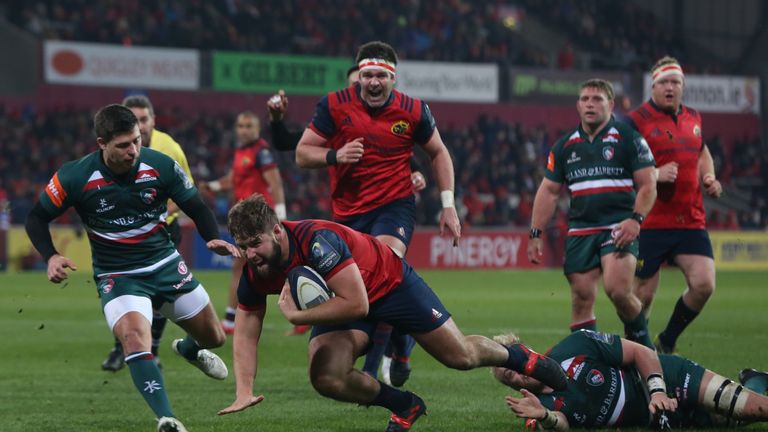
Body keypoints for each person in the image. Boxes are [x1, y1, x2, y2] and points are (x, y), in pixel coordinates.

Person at [217, 194, 568, 432]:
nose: (250, 254)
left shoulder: (315, 241)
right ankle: (404, 405)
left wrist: (296, 317)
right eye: (243, 246)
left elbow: (357, 304)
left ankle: (517, 355)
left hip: (389, 284)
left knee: (460, 356)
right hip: (345, 298)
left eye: (256, 244)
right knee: (325, 376)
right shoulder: (253, 270)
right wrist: (244, 389)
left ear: (277, 231)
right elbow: (247, 329)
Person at [25, 104, 239, 432]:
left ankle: (188, 348)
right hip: (119, 276)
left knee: (214, 337)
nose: (134, 150)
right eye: (124, 145)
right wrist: (51, 255)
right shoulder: (74, 175)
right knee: (134, 339)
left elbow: (196, 206)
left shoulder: (161, 165)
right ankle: (167, 419)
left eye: (137, 140)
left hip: (165, 264)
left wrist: (212, 238)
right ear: (102, 143)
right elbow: (36, 218)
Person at [295, 42, 452, 385]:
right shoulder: (334, 105)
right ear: (359, 77)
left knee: (383, 268)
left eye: (382, 75)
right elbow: (303, 153)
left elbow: (438, 152)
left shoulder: (414, 110)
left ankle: (371, 370)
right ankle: (402, 341)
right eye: (368, 75)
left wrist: (449, 205)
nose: (374, 82)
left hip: (394, 207)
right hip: (348, 215)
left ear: (393, 78)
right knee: (364, 287)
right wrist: (335, 156)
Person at [527, 79, 657, 348]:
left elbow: (648, 185)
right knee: (581, 297)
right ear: (577, 105)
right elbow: (549, 191)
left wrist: (635, 220)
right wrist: (535, 232)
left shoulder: (629, 139)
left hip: (618, 225)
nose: (590, 104)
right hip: (581, 229)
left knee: (618, 290)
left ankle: (645, 351)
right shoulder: (564, 146)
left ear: (610, 105)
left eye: (597, 99)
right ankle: (587, 364)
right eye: (585, 99)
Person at [627, 56, 723, 354]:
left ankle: (666, 341)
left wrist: (709, 175)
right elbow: (621, 165)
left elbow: (702, 151)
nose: (670, 87)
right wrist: (655, 173)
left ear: (682, 86)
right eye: (664, 82)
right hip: (650, 220)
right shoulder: (635, 121)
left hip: (690, 220)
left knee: (704, 285)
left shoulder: (694, 117)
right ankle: (636, 355)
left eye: (676, 82)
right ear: (652, 86)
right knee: (642, 295)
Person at [493, 329, 768, 429]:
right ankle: (756, 379)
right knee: (737, 419)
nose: (518, 373)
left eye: (516, 364)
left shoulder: (575, 345)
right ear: (512, 386)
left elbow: (641, 351)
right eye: (509, 376)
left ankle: (753, 386)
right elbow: (560, 424)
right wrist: (544, 416)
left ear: (529, 353)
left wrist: (658, 391)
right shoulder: (537, 405)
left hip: (670, 379)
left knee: (756, 408)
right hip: (659, 418)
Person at [101, 95, 195, 372]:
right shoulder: (114, 147)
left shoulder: (170, 148)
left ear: (153, 120)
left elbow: (186, 189)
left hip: (163, 231)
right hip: (125, 231)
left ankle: (151, 350)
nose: (139, 126)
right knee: (122, 291)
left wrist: (159, 212)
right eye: (133, 119)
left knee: (160, 294)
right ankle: (122, 349)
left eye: (143, 119)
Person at [198, 111, 288, 335]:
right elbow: (232, 179)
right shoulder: (241, 152)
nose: (244, 130)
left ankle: (230, 319)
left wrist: (282, 216)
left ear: (257, 129)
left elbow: (275, 183)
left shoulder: (262, 152)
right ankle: (231, 318)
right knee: (249, 266)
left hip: (258, 219)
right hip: (243, 219)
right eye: (240, 126)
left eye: (249, 126)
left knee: (244, 264)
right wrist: (213, 186)